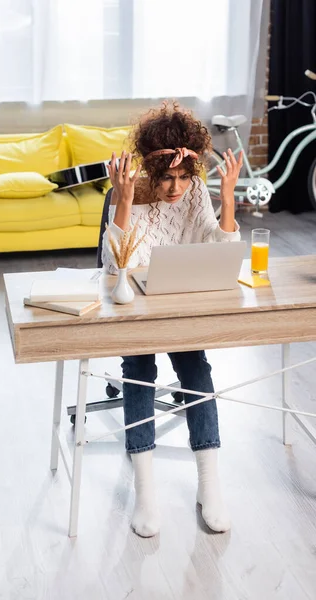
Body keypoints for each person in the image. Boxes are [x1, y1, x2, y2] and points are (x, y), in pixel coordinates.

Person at [102, 101, 243, 538]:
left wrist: (227, 200)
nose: (177, 187)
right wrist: (124, 203)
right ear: (152, 170)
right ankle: (145, 491)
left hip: (178, 302)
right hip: (137, 308)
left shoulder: (196, 192)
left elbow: (219, 249)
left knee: (197, 369)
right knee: (139, 371)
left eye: (185, 177)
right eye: (168, 177)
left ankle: (209, 486)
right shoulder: (129, 193)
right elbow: (113, 268)